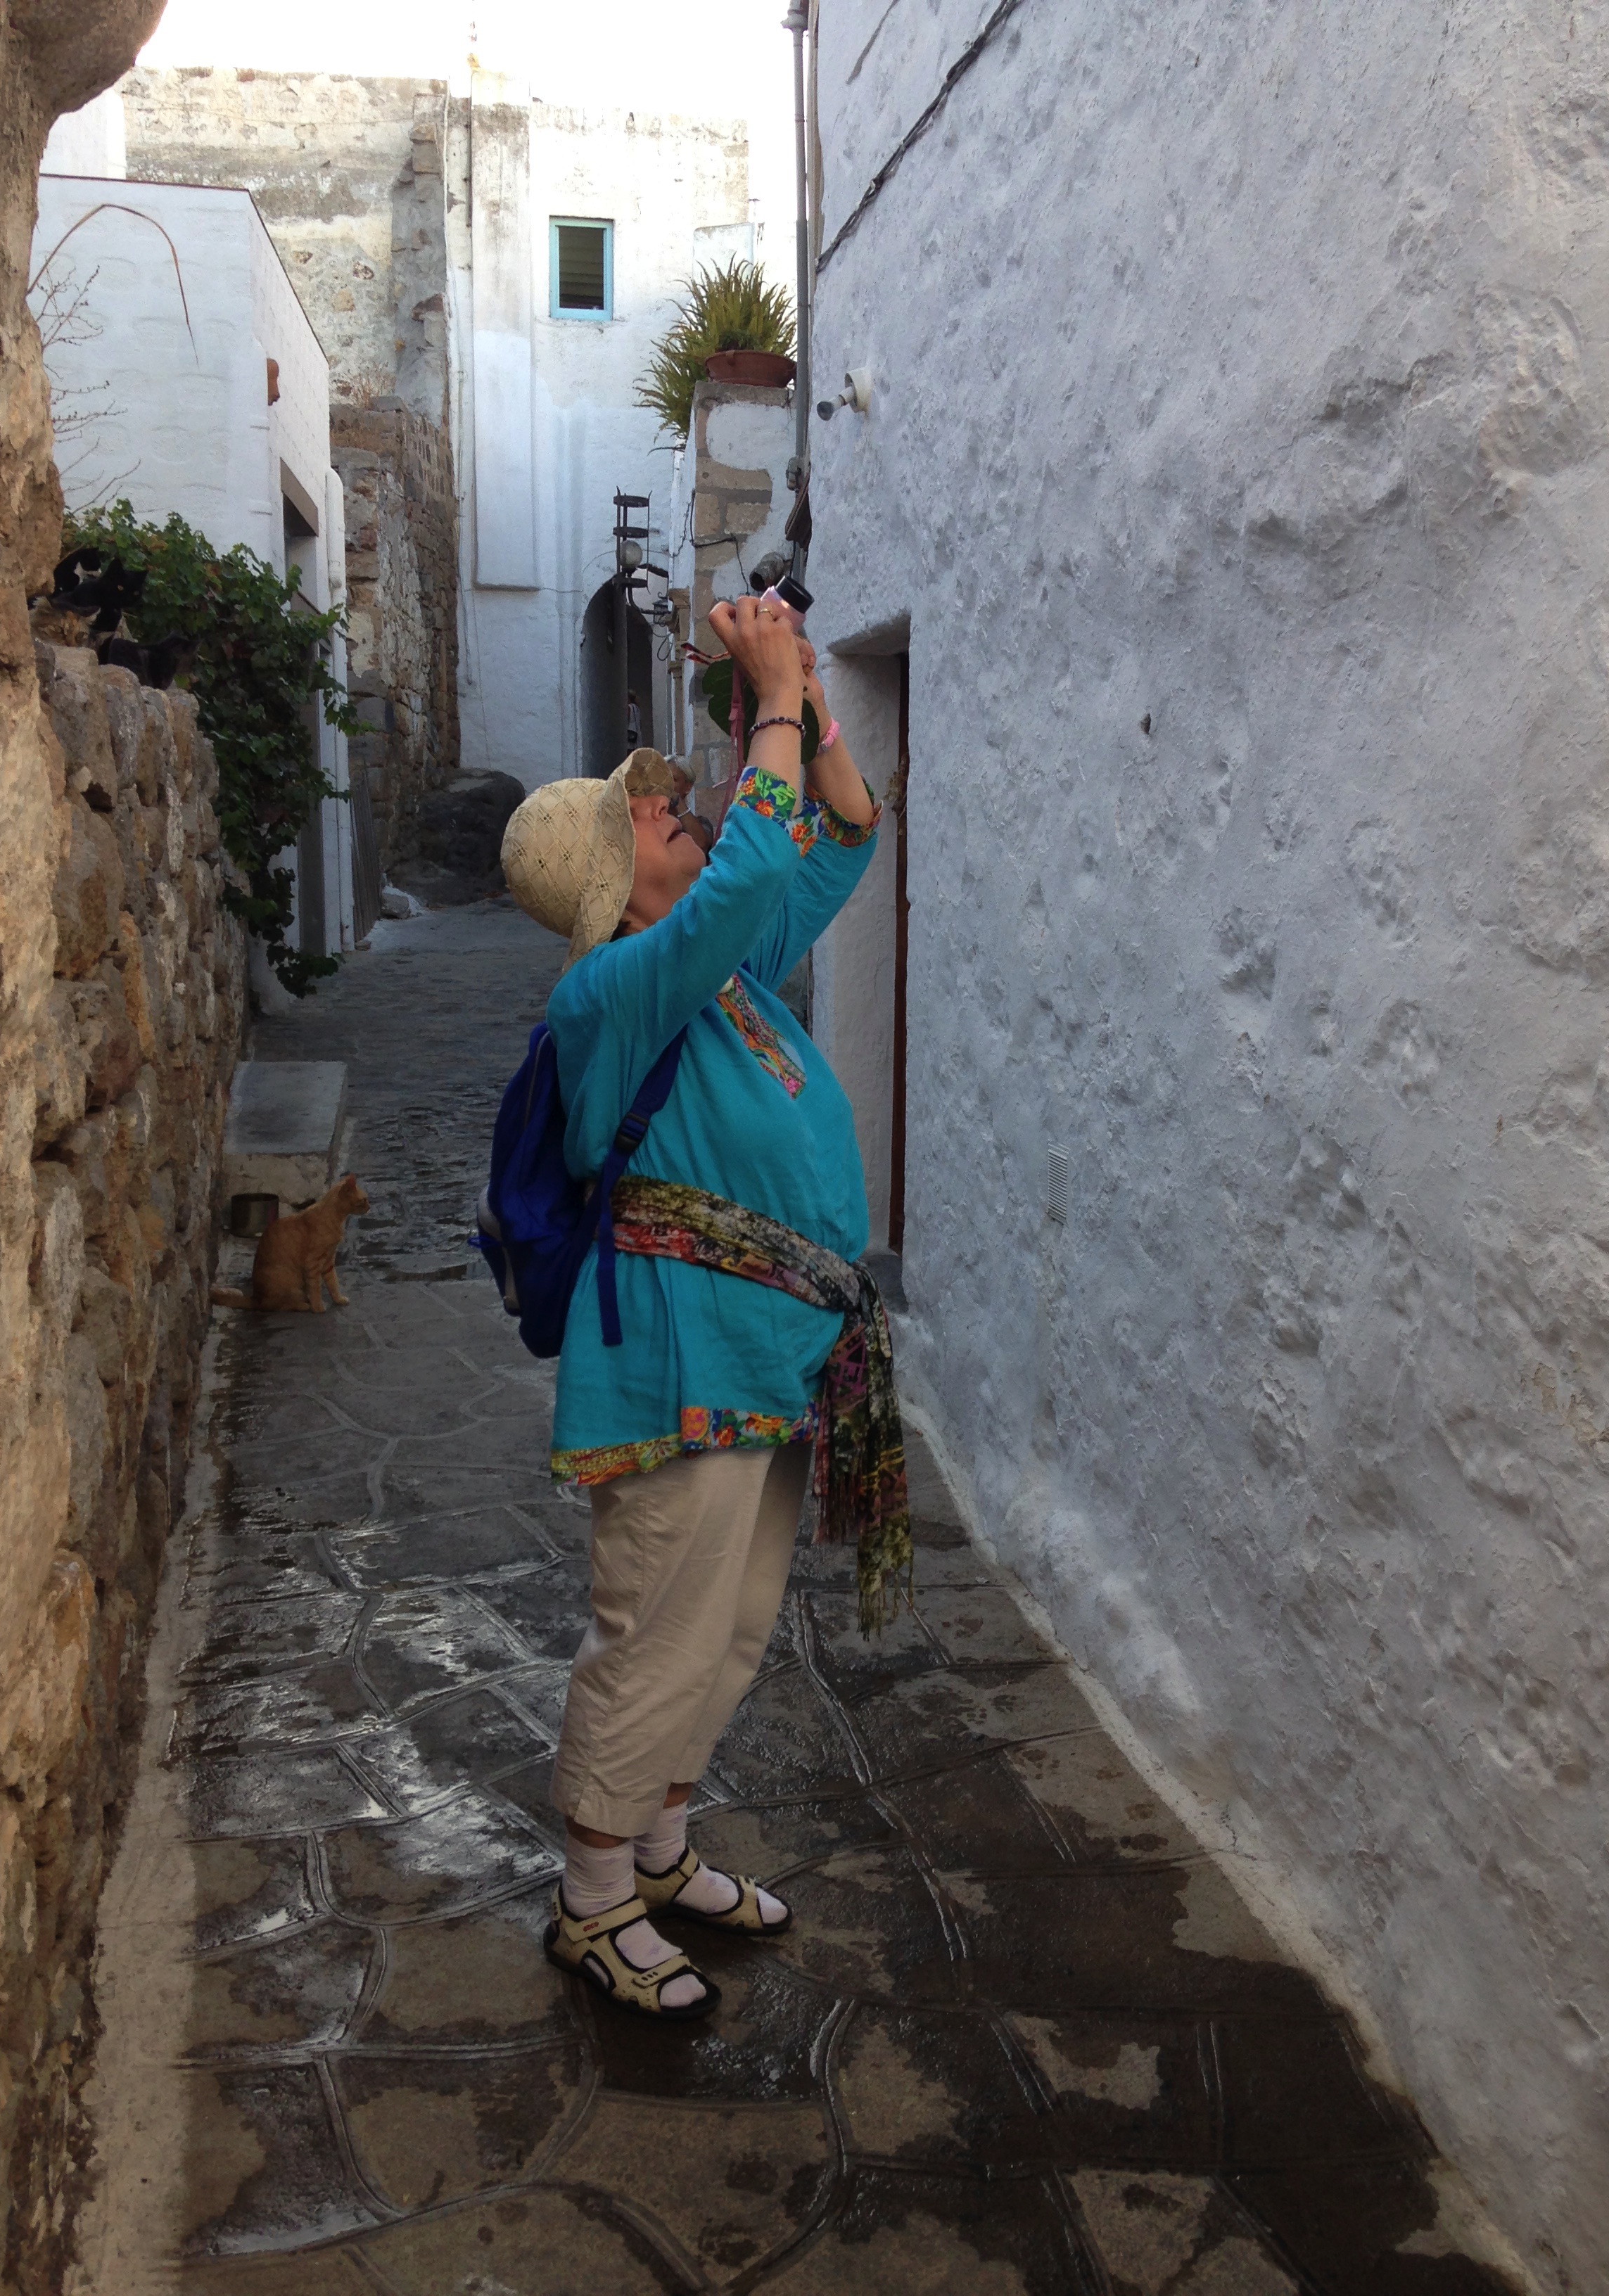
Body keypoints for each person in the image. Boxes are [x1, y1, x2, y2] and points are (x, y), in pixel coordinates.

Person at [499, 595, 912, 2022]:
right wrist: (774, 698)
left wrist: (807, 703)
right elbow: (752, 869)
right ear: (620, 879)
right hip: (679, 1363)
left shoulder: (711, 973)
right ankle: (592, 1899)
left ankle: (660, 1854)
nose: (672, 806)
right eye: (650, 814)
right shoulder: (615, 993)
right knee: (659, 1633)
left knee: (729, 1631)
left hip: (765, 1354)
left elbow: (840, 837)